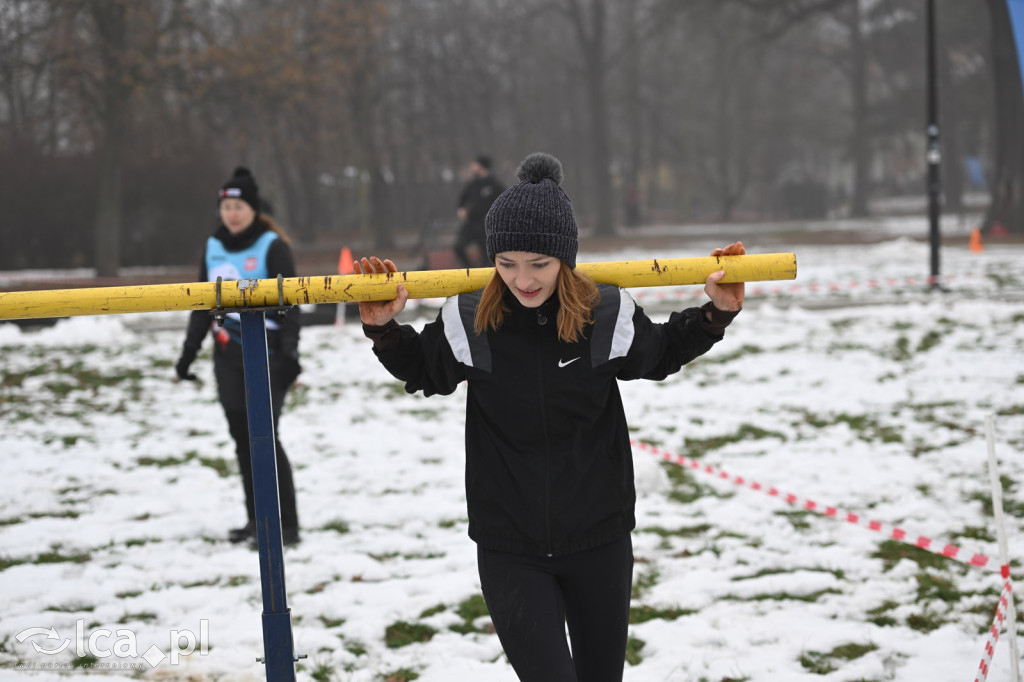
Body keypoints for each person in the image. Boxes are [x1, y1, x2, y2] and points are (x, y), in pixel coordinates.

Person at [354, 152, 745, 681]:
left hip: (599, 537)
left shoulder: (603, 314)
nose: (523, 278)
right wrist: (383, 330)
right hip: (510, 544)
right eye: (507, 263)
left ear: (565, 258)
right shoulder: (472, 317)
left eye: (539, 263)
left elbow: (661, 353)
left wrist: (715, 313)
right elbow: (426, 370)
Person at [174, 167, 302, 547]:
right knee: (242, 441)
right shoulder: (212, 246)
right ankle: (257, 522)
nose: (232, 213)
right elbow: (200, 306)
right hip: (227, 358)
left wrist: (291, 354)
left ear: (253, 208)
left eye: (239, 205)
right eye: (226, 206)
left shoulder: (272, 246)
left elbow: (292, 306)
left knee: (265, 438)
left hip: (268, 357)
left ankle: (288, 525)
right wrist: (187, 356)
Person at [454, 155, 505, 268]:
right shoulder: (472, 184)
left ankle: (484, 280)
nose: (472, 166)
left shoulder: (495, 184)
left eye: (475, 164)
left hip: (487, 226)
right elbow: (463, 199)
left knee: (486, 257)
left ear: (482, 166)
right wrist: (461, 209)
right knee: (458, 246)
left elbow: (504, 201)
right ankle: (470, 270)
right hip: (471, 223)